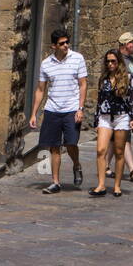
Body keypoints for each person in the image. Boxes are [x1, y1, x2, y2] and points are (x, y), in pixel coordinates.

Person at [30, 28, 87, 194]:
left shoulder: (77, 58)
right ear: (53, 46)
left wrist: (80, 108)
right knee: (54, 146)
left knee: (71, 143)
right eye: (62, 43)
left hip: (71, 109)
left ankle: (76, 165)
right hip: (52, 109)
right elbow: (40, 90)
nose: (66, 45)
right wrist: (34, 113)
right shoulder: (46, 64)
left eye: (67, 42)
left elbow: (83, 84)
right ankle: (55, 181)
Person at [89, 50, 133, 196]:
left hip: (121, 117)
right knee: (100, 151)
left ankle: (117, 186)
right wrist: (96, 120)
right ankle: (101, 185)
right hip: (105, 117)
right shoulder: (103, 79)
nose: (110, 64)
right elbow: (99, 100)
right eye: (108, 61)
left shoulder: (128, 78)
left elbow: (132, 99)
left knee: (119, 152)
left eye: (113, 61)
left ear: (119, 62)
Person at [107, 32, 133, 183]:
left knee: (115, 138)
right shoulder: (116, 61)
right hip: (120, 106)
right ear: (125, 44)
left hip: (131, 106)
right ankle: (132, 170)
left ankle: (104, 165)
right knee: (124, 137)